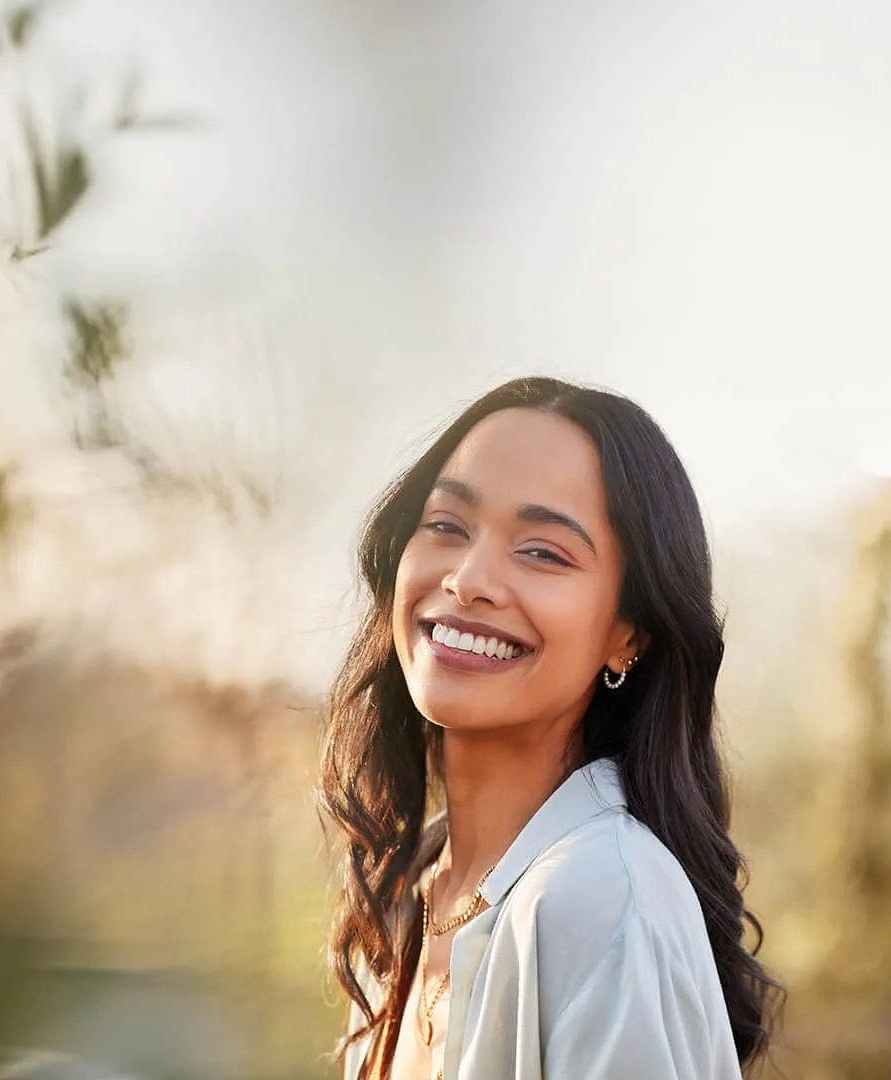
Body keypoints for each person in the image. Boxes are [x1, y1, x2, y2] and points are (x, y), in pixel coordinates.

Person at [318, 377, 783, 1079]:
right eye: (446, 525)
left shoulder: (600, 895)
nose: (469, 579)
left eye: (543, 552)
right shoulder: (414, 887)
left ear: (628, 634)